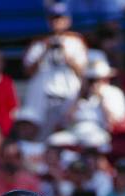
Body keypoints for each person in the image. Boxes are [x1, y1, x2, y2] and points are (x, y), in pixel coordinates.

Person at [23, 2, 88, 137]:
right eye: (53, 18)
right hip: (45, 98)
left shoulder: (76, 42)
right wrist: (45, 50)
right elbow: (28, 71)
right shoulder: (40, 43)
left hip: (68, 97)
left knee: (68, 136)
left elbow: (82, 71)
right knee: (42, 136)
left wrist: (66, 54)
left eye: (60, 18)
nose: (57, 22)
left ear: (68, 20)